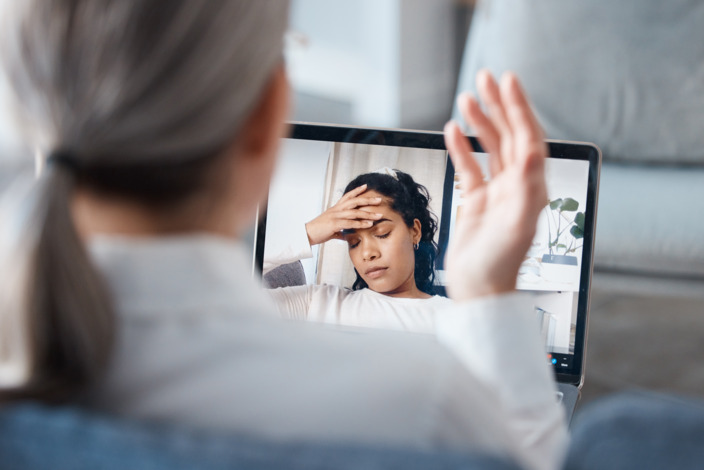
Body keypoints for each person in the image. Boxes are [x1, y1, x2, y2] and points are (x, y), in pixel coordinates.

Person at [0, 2, 566, 470]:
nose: (365, 250)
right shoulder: (425, 403)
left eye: (380, 231)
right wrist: (492, 297)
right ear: (268, 114)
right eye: (352, 238)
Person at [265, 168, 452, 333]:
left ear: (415, 231)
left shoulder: (453, 317)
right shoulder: (318, 303)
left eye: (382, 233)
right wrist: (309, 233)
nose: (367, 253)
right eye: (354, 242)